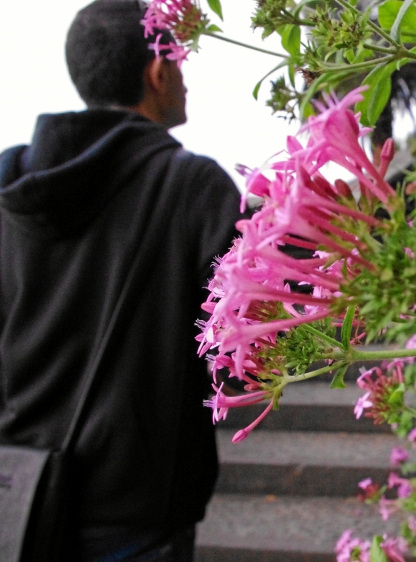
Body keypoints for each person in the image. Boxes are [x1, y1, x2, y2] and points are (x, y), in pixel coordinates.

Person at [0, 0, 242, 559]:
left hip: (21, 504)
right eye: (180, 63)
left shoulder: (11, 193)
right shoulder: (193, 187)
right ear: (157, 73)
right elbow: (247, 337)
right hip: (138, 516)